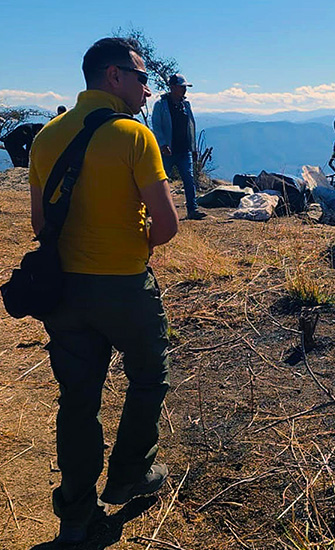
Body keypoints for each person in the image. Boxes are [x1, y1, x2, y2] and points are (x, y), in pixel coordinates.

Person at [27, 37, 178, 543]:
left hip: (65, 292)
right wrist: (138, 246)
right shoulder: (133, 136)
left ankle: (75, 513)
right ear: (113, 76)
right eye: (140, 76)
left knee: (78, 400)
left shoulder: (46, 137)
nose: (145, 87)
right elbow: (167, 223)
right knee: (149, 378)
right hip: (125, 288)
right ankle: (130, 473)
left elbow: (38, 222)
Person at [152, 73, 204, 219]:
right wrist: (162, 144)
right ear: (173, 87)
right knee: (161, 180)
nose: (184, 90)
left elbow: (191, 126)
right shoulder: (161, 105)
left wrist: (193, 148)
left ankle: (192, 210)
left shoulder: (185, 105)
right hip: (167, 150)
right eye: (182, 87)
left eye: (185, 87)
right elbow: (156, 126)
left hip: (184, 149)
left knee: (188, 178)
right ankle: (157, 210)